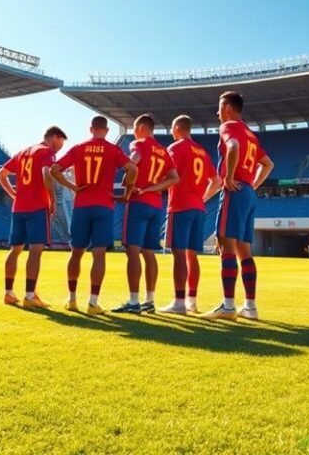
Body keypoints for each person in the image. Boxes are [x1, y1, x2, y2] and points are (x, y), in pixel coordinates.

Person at [50, 115, 137, 315]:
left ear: (91, 129)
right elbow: (132, 168)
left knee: (76, 253)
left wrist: (72, 187)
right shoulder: (113, 149)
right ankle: (93, 302)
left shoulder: (78, 148)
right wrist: (126, 191)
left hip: (82, 205)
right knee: (99, 255)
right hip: (103, 206)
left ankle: (72, 300)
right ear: (106, 131)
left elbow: (54, 169)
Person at [202, 91, 274, 321]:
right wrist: (252, 184)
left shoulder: (229, 127)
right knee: (245, 251)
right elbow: (268, 164)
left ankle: (228, 305)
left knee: (226, 247)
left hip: (235, 191)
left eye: (219, 107)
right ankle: (250, 307)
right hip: (249, 194)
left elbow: (232, 147)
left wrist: (230, 177)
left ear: (227, 108)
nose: (217, 112)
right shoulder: (251, 134)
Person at [113, 114, 179, 314]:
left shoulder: (139, 144)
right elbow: (174, 178)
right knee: (149, 253)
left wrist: (128, 185)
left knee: (132, 251)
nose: (133, 132)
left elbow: (132, 166)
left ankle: (133, 301)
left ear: (141, 126)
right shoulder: (163, 150)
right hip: (156, 204)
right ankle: (149, 300)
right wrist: (154, 188)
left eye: (134, 127)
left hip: (139, 202)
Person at [0, 126, 68, 308]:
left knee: (15, 250)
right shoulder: (47, 152)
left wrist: (13, 193)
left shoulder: (23, 152)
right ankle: (29, 295)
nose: (60, 147)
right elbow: (46, 173)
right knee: (36, 250)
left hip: (19, 207)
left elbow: (1, 174)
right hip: (37, 207)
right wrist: (52, 199)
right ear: (54, 137)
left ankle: (8, 293)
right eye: (61, 142)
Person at [159, 114, 220, 314]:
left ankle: (178, 303)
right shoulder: (202, 151)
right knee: (191, 256)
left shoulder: (175, 148)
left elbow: (169, 175)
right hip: (197, 208)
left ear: (176, 128)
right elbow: (217, 181)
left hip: (180, 205)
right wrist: (202, 197)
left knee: (178, 255)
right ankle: (191, 301)